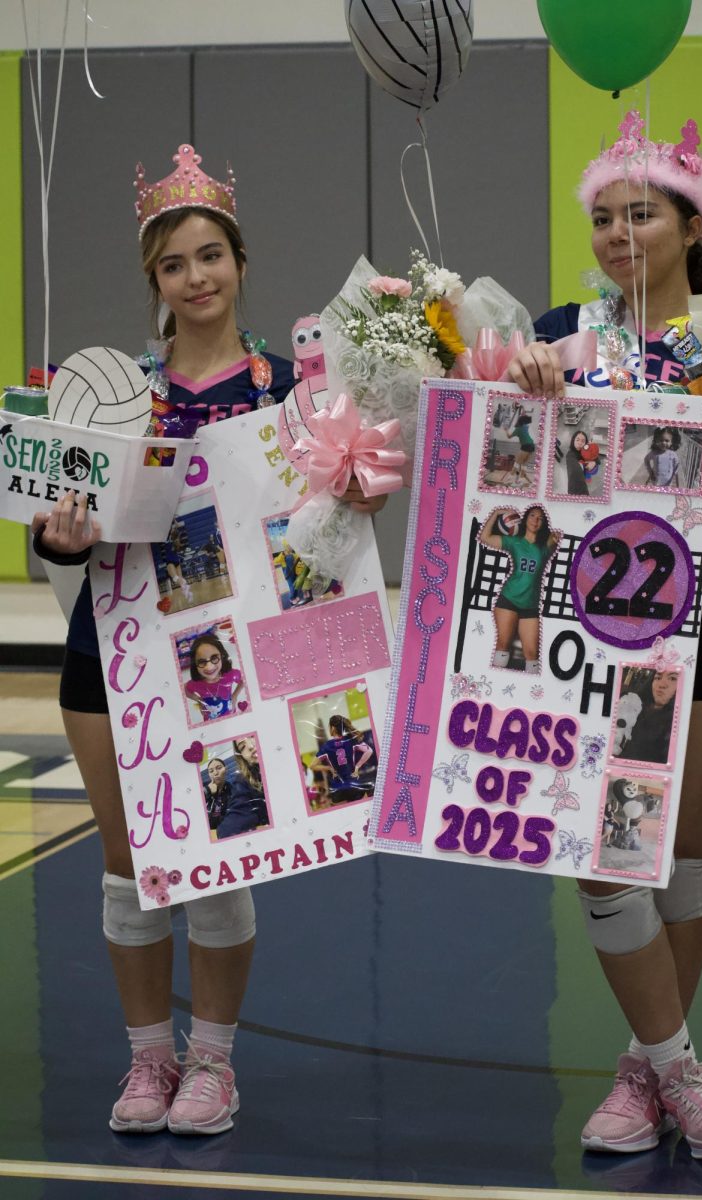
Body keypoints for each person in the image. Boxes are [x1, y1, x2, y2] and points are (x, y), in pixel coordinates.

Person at [30, 142, 386, 1138]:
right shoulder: (110, 400)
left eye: (210, 255)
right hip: (115, 658)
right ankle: (149, 1057)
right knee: (127, 861)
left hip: (238, 665)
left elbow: (336, 527)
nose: (196, 277)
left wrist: (354, 487)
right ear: (153, 279)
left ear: (240, 261)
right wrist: (55, 531)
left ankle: (213, 1067)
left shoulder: (293, 397)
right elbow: (52, 515)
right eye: (174, 262)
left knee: (219, 857)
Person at [509, 111, 702, 1160]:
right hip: (593, 646)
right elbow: (510, 474)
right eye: (600, 217)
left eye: (639, 213)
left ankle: (643, 1076)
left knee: (674, 864)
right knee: (604, 856)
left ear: (688, 225)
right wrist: (528, 386)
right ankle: (682, 1075)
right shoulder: (563, 341)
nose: (618, 232)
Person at [479, 506, 558, 672]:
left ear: (543, 523)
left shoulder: (545, 547)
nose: (535, 520)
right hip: (509, 599)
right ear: (525, 518)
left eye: (540, 518)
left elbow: (560, 530)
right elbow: (484, 537)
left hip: (530, 605)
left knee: (531, 653)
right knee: (503, 644)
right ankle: (496, 682)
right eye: (532, 515)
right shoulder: (514, 541)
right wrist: (496, 514)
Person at [617, 670, 679, 766]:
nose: (662, 685)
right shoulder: (634, 704)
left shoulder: (674, 724)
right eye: (658, 678)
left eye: (672, 679)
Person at [310, 714, 374, 804]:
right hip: (354, 785)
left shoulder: (327, 745)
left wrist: (328, 768)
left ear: (333, 728)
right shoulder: (350, 739)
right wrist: (357, 767)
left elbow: (312, 766)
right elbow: (369, 751)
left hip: (338, 789)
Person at [215, 737, 269, 839]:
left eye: (253, 736)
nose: (250, 746)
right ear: (242, 757)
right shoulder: (244, 781)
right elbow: (228, 829)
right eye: (242, 747)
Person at [184, 633, 244, 723]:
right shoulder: (195, 683)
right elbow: (185, 689)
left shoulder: (230, 675)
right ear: (194, 665)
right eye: (202, 662)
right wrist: (199, 700)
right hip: (210, 721)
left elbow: (243, 680)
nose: (209, 667)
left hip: (231, 716)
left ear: (222, 655)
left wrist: (235, 695)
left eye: (214, 658)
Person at [499, 405, 535, 487]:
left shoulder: (517, 430)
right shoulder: (526, 426)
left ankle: (509, 479)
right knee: (523, 464)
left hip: (525, 446)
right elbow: (524, 415)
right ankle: (521, 479)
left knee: (517, 463)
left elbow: (508, 436)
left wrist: (506, 430)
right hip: (532, 446)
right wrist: (522, 407)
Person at [203, 757, 230, 831]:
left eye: (219, 768)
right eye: (211, 771)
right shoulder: (203, 787)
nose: (215, 773)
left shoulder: (232, 789)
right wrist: (207, 790)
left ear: (225, 769)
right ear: (209, 774)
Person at [565, 430, 590, 496]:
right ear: (573, 440)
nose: (580, 443)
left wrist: (593, 462)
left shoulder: (584, 451)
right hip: (576, 491)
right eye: (577, 440)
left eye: (583, 441)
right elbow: (575, 472)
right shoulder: (570, 455)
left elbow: (595, 457)